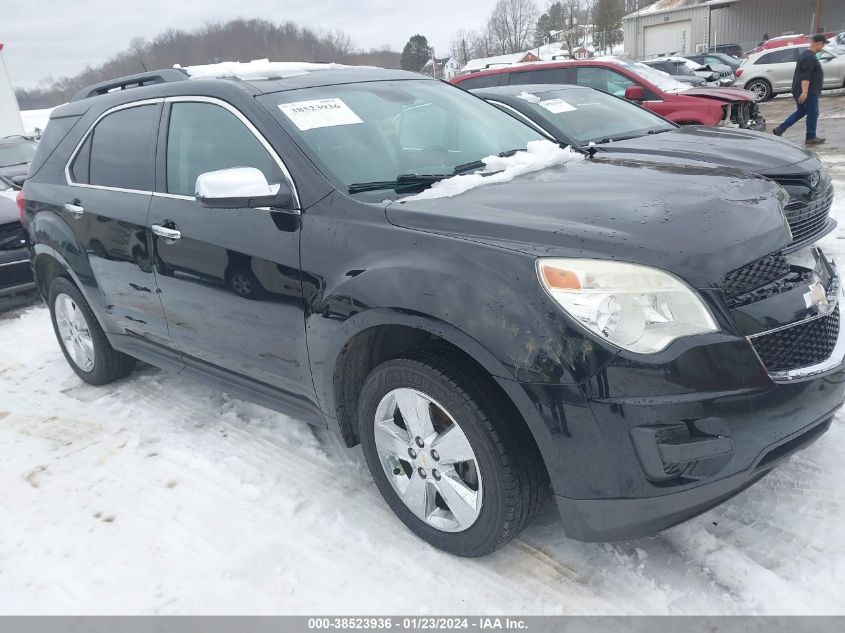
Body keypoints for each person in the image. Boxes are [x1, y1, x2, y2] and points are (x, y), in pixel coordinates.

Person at [772, 34, 828, 145]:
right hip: (809, 92)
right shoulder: (809, 57)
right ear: (818, 43)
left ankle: (780, 129)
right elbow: (806, 76)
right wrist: (805, 92)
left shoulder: (806, 55)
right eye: (823, 45)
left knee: (802, 111)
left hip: (802, 90)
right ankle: (810, 137)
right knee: (813, 113)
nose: (823, 47)